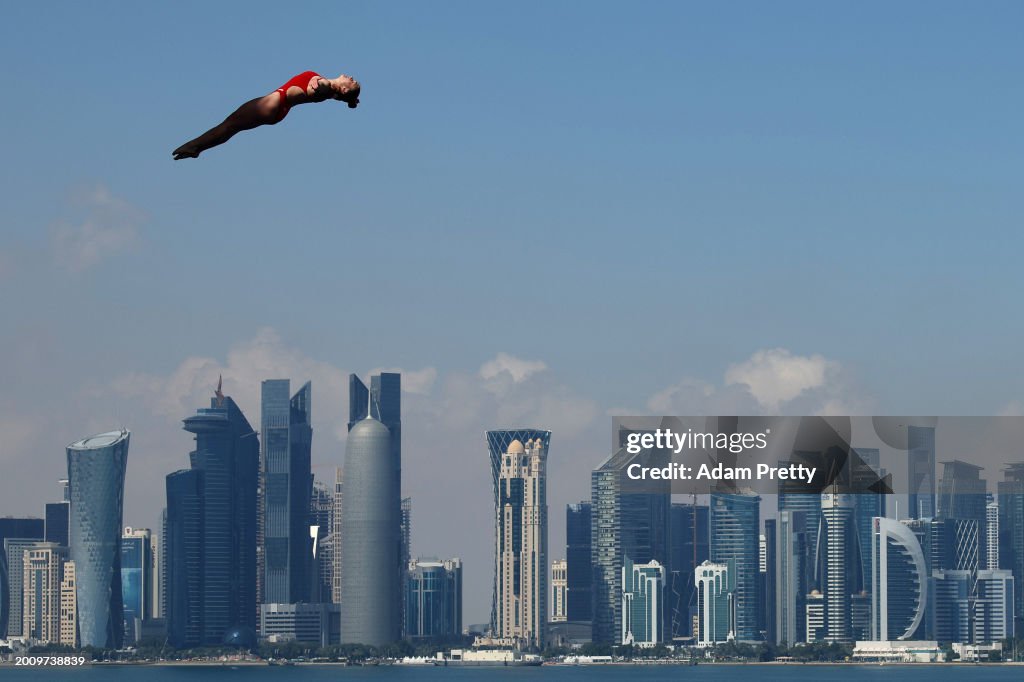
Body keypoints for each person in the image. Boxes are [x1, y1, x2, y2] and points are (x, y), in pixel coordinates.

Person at [172, 71, 360, 159]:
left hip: (273, 103)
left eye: (353, 83)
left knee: (229, 125)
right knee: (231, 127)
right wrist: (350, 99)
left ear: (344, 89)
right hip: (278, 109)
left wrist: (321, 85)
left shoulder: (325, 86)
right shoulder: (332, 93)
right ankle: (196, 148)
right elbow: (336, 95)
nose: (352, 78)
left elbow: (323, 88)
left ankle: (194, 147)